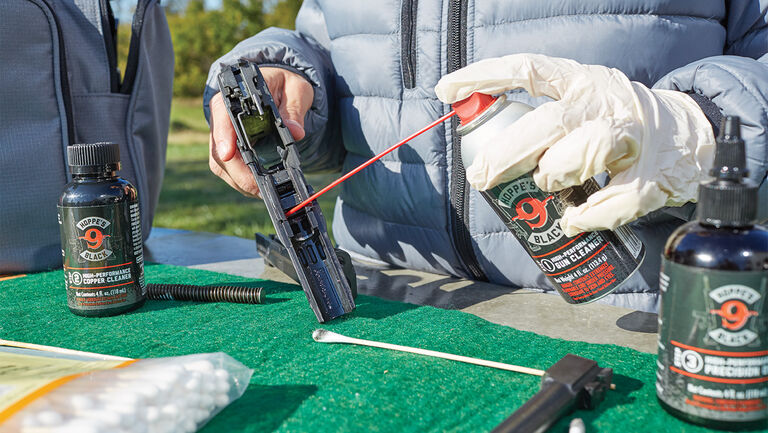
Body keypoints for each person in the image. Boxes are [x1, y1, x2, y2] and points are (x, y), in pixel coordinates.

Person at [203, 1, 768, 313]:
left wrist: (707, 127)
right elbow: (339, 76)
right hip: (384, 295)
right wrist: (290, 85)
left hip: (639, 308)